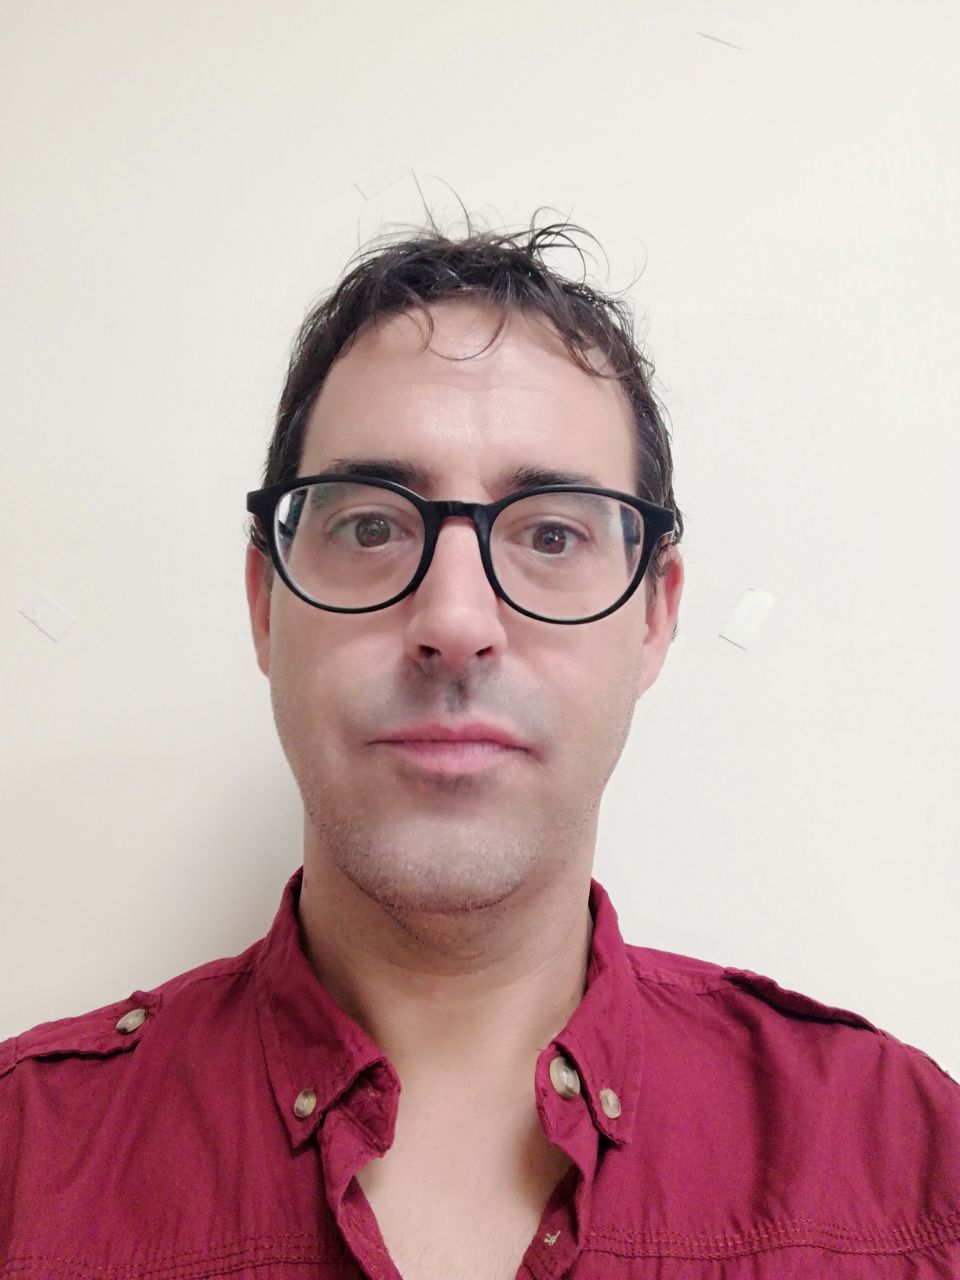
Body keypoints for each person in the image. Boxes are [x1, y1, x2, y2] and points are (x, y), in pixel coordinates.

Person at [2, 220, 958, 1280]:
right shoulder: (23, 1164)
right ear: (266, 604)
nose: (455, 621)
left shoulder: (905, 1165)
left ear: (653, 618)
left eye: (552, 534)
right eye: (371, 526)